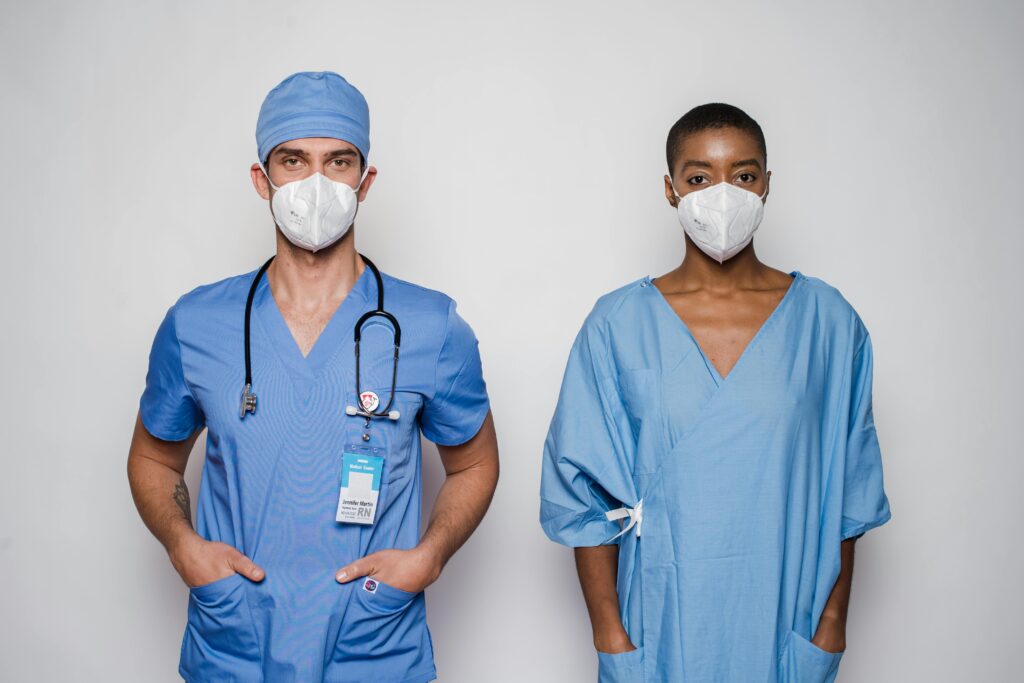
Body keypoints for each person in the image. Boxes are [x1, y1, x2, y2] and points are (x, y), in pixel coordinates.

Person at [127, 71, 499, 683]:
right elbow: (153, 458)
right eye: (294, 160)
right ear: (262, 180)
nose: (317, 183)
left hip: (373, 646)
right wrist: (182, 545)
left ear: (364, 182)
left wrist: (430, 556)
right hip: (236, 643)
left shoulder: (431, 326)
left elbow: (476, 463)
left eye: (339, 162)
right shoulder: (196, 324)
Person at [539, 103, 891, 683]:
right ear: (671, 189)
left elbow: (849, 489)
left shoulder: (827, 323)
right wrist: (610, 637)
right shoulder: (617, 324)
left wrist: (832, 623)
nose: (723, 194)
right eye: (700, 177)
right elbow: (584, 495)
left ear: (767, 184)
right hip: (662, 622)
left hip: (786, 621)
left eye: (743, 175)